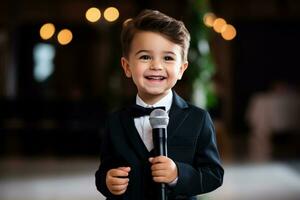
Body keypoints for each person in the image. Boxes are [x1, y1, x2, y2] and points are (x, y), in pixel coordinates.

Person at [95, 9, 224, 200]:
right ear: (127, 66)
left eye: (168, 58)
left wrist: (177, 174)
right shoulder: (115, 121)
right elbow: (105, 169)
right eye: (145, 57)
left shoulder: (198, 118)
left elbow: (214, 174)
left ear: (181, 69)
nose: (156, 65)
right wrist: (107, 181)